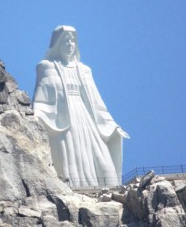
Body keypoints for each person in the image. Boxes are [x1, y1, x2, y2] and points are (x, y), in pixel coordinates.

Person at [32, 26, 128, 187]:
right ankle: (73, 187)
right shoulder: (45, 67)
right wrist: (36, 116)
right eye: (65, 40)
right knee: (70, 154)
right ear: (56, 44)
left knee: (102, 159)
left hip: (86, 118)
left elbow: (97, 102)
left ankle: (109, 187)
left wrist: (112, 125)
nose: (70, 44)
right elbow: (41, 98)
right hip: (63, 119)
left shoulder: (85, 70)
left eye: (72, 41)